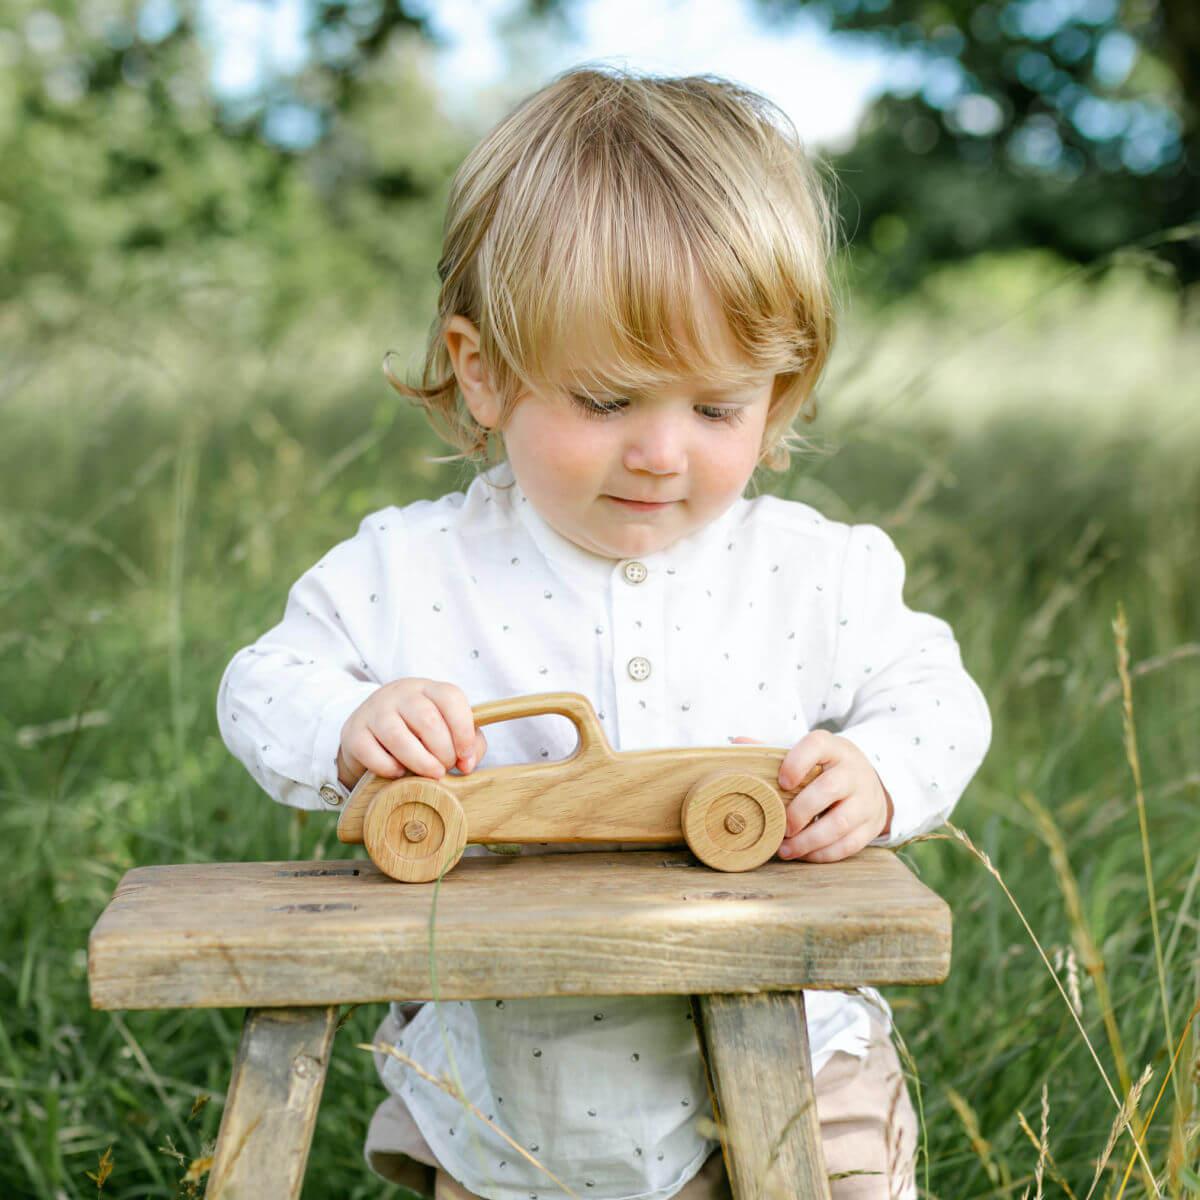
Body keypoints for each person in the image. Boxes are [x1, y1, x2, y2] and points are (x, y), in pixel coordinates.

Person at [217, 65, 991, 1200]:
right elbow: (259, 683)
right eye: (607, 400)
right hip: (506, 1091)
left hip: (793, 1062)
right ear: (485, 376)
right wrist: (349, 722)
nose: (662, 451)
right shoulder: (411, 569)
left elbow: (937, 693)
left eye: (716, 407)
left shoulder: (813, 571)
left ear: (776, 399)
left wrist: (880, 773)